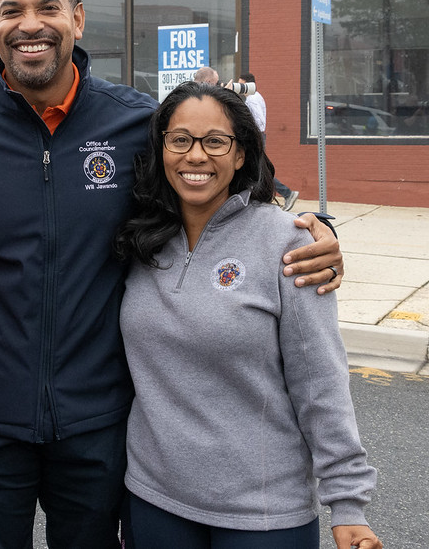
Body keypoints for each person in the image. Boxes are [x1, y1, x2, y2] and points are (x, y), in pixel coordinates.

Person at [0, 0, 345, 549]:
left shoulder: (138, 123)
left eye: (49, 7)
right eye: (11, 10)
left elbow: (224, 197)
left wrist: (316, 232)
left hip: (102, 419)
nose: (30, 24)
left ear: (79, 20)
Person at [115, 81, 381, 549]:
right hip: (153, 500)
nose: (195, 156)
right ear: (161, 150)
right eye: (180, 140)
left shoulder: (288, 243)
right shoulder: (139, 240)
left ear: (241, 154)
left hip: (263, 515)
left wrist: (348, 503)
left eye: (215, 141)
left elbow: (320, 381)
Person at [239, 72, 299, 211]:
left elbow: (259, 121)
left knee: (259, 169)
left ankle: (287, 193)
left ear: (248, 84)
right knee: (257, 168)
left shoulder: (252, 99)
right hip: (258, 136)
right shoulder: (256, 97)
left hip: (256, 136)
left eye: (241, 84)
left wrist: (251, 132)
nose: (240, 87)